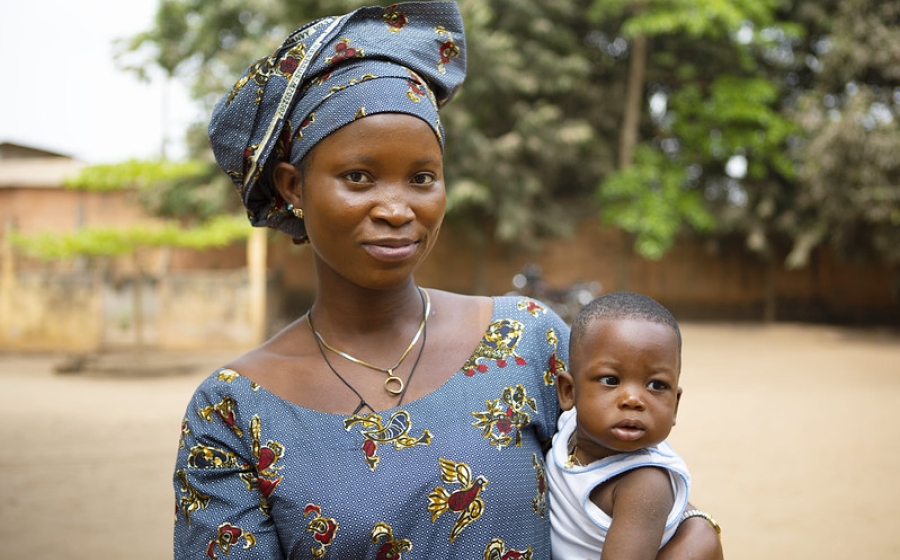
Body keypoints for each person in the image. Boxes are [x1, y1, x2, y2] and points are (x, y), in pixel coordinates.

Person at [172, 3, 724, 558]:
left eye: (422, 177)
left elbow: (634, 489)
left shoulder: (528, 342)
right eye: (358, 177)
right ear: (293, 186)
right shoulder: (234, 413)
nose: (396, 208)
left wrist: (696, 536)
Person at [546, 292, 721, 559]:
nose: (633, 399)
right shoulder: (566, 428)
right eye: (610, 380)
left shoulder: (644, 484)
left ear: (675, 405)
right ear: (569, 391)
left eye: (656, 385)